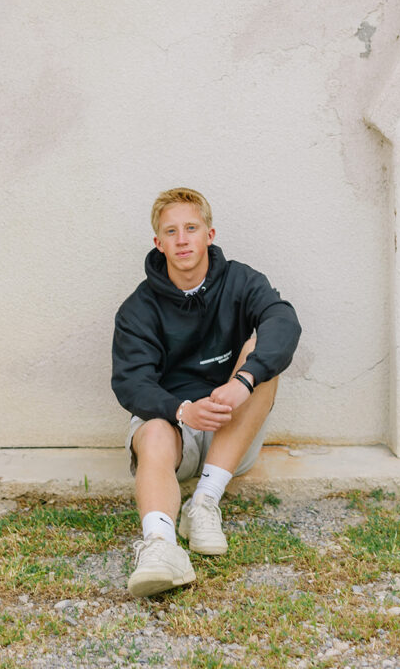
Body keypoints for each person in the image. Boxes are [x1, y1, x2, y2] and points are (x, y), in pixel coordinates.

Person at [111, 187, 302, 597]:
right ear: (158, 243)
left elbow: (282, 320)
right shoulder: (137, 308)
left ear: (209, 235)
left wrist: (241, 382)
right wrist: (181, 410)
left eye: (191, 228)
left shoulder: (240, 280)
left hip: (229, 432)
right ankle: (161, 548)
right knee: (156, 430)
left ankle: (204, 504)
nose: (182, 239)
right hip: (174, 433)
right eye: (171, 231)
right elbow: (131, 382)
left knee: (262, 357)